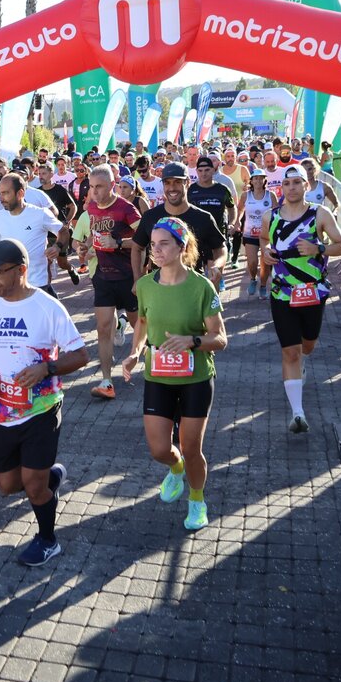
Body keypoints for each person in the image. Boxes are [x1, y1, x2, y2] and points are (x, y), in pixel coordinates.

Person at [0, 239, 88, 566]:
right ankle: (50, 479)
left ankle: (48, 539)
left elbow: (80, 355)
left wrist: (45, 368)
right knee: (8, 485)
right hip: (3, 409)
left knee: (33, 487)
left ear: (21, 271)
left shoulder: (47, 307)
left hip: (42, 408)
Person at [121, 217, 227, 531]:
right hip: (158, 377)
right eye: (152, 245)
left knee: (192, 447)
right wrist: (133, 353)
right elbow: (141, 323)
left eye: (164, 243)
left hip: (195, 379)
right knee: (158, 449)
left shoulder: (201, 286)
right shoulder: (144, 285)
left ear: (182, 246)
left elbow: (220, 338)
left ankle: (197, 501)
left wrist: (192, 341)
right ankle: (175, 467)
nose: (156, 251)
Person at [261, 165, 341, 434]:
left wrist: (318, 247)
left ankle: (302, 363)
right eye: (287, 184)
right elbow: (264, 239)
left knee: (307, 346)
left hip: (312, 291)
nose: (292, 188)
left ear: (305, 186)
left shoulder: (319, 214)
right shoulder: (270, 216)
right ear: (281, 188)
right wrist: (265, 251)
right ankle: (298, 413)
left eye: (297, 183)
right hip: (282, 291)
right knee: (290, 351)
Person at [81, 164, 142, 400]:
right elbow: (94, 231)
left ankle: (143, 360)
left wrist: (117, 244)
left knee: (140, 327)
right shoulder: (93, 206)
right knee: (103, 328)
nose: (95, 192)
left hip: (128, 276)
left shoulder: (125, 208)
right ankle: (107, 380)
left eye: (100, 187)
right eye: (92, 187)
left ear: (112, 186)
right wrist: (86, 245)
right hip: (103, 276)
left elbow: (144, 237)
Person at [131, 163, 225, 285]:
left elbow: (220, 248)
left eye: (177, 182)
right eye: (167, 183)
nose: (172, 188)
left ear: (187, 182)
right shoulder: (150, 217)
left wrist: (216, 266)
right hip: (159, 289)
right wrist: (137, 279)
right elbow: (137, 247)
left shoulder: (203, 218)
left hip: (193, 288)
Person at [0, 173, 67, 299]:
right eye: (0, 193)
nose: (1, 198)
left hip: (38, 284)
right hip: (10, 286)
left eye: (5, 193)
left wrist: (57, 247)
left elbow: (63, 231)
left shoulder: (40, 214)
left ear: (20, 193)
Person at [236, 170, 273, 299]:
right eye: (255, 178)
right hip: (249, 233)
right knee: (252, 262)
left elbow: (277, 213)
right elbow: (240, 209)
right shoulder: (246, 196)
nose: (258, 181)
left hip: (266, 235)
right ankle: (253, 279)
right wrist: (236, 222)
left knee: (265, 263)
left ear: (264, 180)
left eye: (260, 178)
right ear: (251, 181)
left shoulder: (270, 195)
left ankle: (263, 286)